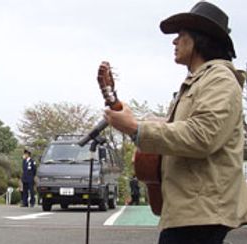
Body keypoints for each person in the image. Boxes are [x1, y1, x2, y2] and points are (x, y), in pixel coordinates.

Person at [104, 2, 247, 244]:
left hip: (201, 213)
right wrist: (133, 126)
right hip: (191, 212)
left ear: (200, 39)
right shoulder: (199, 81)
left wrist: (136, 128)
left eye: (181, 35)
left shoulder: (220, 79)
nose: (174, 41)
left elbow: (202, 136)